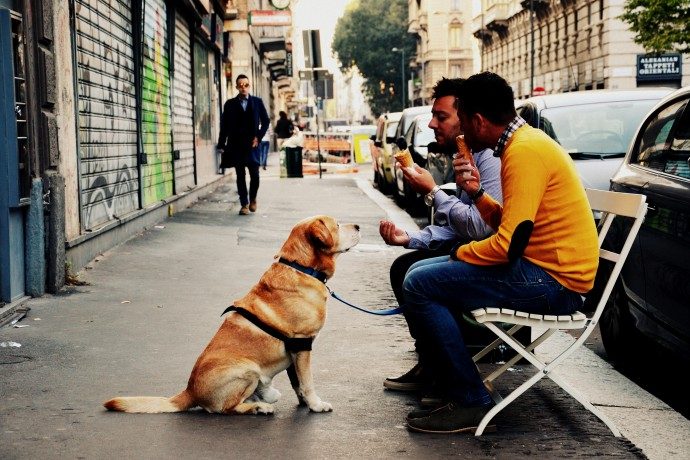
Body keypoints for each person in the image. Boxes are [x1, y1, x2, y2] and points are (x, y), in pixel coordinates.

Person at [402, 72, 599, 434]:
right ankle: (454, 382)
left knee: (419, 283)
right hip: (545, 270)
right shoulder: (524, 143)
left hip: (554, 283)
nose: (462, 134)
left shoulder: (523, 152)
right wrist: (477, 194)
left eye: (463, 124)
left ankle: (470, 400)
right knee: (423, 275)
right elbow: (515, 224)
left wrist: (461, 254)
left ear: (478, 121)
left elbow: (508, 245)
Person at [378, 78, 502, 397]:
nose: (432, 123)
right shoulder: (466, 153)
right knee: (404, 266)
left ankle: (462, 388)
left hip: (502, 262)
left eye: (441, 117)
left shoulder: (489, 157)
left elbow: (479, 227)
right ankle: (434, 365)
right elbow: (459, 224)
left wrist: (433, 192)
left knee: (419, 279)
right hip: (482, 253)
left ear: (469, 118)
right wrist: (411, 239)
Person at [217, 74, 270, 215]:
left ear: (249, 86)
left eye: (246, 85)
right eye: (240, 85)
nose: (243, 88)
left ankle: (253, 199)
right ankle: (244, 204)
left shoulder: (257, 102)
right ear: (236, 87)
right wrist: (221, 144)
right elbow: (225, 126)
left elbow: (266, 122)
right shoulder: (229, 104)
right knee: (240, 176)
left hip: (253, 145)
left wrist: (258, 137)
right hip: (236, 146)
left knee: (255, 176)